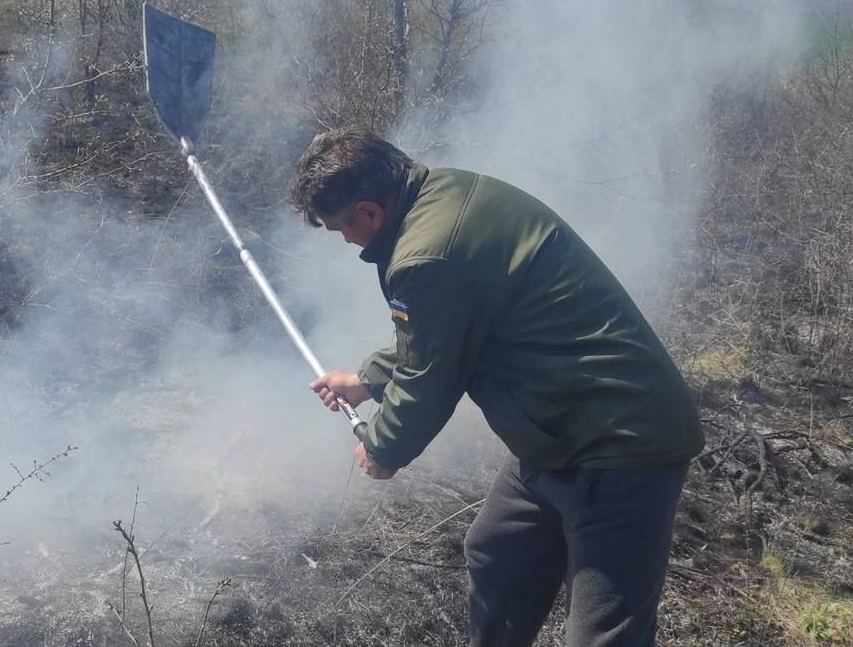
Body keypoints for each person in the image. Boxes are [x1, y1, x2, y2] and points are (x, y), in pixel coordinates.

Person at [294, 129, 704, 647]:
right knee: (499, 553)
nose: (346, 241)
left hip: (620, 439)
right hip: (559, 429)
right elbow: (443, 332)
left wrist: (384, 447)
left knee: (603, 634)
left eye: (340, 229)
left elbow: (431, 377)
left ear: (369, 212)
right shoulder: (440, 196)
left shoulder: (427, 254)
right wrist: (368, 380)